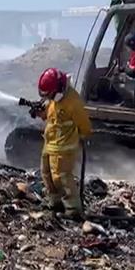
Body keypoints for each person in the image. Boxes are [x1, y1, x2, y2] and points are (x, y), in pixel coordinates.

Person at [31, 68, 92, 218]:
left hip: (64, 148)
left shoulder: (73, 102)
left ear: (58, 89)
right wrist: (39, 112)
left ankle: (73, 210)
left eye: (50, 95)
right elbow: (50, 115)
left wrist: (82, 137)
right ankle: (55, 203)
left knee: (62, 178)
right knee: (46, 174)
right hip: (50, 143)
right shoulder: (54, 99)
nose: (49, 98)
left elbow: (85, 125)